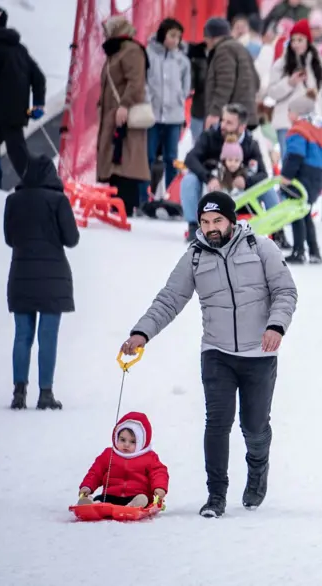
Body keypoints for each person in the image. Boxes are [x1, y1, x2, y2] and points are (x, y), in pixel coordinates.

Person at [120, 192, 297, 518]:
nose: (211, 228)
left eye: (217, 221)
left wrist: (276, 326)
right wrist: (141, 333)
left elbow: (285, 291)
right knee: (217, 423)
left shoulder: (261, 247)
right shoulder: (196, 256)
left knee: (254, 426)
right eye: (205, 222)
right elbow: (170, 299)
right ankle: (216, 496)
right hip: (217, 353)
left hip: (259, 353)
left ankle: (258, 469)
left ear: (231, 220)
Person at [4, 155, 79, 410]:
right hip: (53, 279)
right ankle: (45, 393)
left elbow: (9, 238)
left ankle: (18, 393)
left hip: (21, 276)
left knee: (22, 335)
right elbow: (71, 239)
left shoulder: (13, 200)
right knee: (48, 336)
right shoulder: (58, 201)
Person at [182, 103, 275, 243]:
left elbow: (263, 174)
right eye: (223, 120)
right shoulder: (211, 136)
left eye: (229, 122)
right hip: (214, 189)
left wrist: (246, 181)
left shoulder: (250, 144)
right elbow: (190, 158)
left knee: (267, 187)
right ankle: (193, 226)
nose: (223, 125)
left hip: (241, 194)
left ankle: (277, 230)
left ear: (242, 127)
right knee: (189, 180)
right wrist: (209, 177)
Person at [0, 8, 45, 186]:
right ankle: (38, 185)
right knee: (17, 154)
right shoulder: (19, 49)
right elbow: (38, 77)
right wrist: (38, 103)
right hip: (15, 115)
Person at [96, 15, 150, 216]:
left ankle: (124, 207)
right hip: (113, 115)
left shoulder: (131, 50)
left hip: (123, 116)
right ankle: (116, 205)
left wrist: (124, 106)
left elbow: (136, 83)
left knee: (125, 161)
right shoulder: (117, 50)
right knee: (116, 161)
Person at [266, 18, 322, 155]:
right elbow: (272, 92)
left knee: (309, 169)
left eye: (300, 40)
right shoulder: (281, 64)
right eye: (293, 40)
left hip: (313, 123)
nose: (296, 44)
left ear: (308, 41)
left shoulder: (321, 65)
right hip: (286, 122)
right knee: (289, 167)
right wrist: (289, 82)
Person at [142, 18, 191, 207]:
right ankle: (145, 197)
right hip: (152, 115)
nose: (175, 40)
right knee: (149, 156)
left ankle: (170, 197)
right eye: (172, 35)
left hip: (174, 117)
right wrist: (149, 99)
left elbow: (186, 86)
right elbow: (145, 81)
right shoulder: (148, 55)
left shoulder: (182, 60)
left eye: (178, 37)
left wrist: (179, 97)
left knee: (171, 157)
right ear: (163, 35)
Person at [77, 412, 169, 508]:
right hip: (110, 496)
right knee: (100, 498)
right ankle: (91, 504)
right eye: (122, 440)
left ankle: (135, 505)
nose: (126, 445)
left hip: (135, 495)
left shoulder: (149, 457)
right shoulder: (109, 454)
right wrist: (87, 486)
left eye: (132, 441)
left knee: (142, 498)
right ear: (116, 437)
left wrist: (159, 488)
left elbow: (158, 472)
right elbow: (96, 472)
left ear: (142, 442)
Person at [281, 95, 322, 264]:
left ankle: (298, 251)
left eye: (290, 111)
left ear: (297, 113)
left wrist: (286, 177)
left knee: (297, 212)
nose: (288, 114)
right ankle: (314, 251)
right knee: (305, 212)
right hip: (318, 175)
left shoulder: (299, 131)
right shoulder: (318, 129)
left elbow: (295, 155)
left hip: (302, 175)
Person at [203, 17, 260, 131]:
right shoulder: (240, 48)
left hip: (230, 119)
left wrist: (215, 113)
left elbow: (225, 84)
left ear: (211, 36)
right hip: (246, 115)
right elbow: (256, 81)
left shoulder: (224, 50)